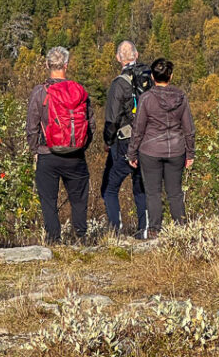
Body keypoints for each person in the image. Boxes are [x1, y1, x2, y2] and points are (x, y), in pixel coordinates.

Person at [26, 46, 95, 244]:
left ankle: (54, 240)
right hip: (75, 155)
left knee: (49, 200)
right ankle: (81, 237)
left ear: (48, 65)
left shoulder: (40, 92)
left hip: (47, 153)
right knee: (79, 199)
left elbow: (32, 126)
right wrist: (81, 145)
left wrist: (35, 150)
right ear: (66, 65)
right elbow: (91, 123)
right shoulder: (79, 91)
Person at [127, 57, 195, 239]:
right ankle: (181, 231)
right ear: (170, 76)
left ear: (152, 77)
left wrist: (131, 152)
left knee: (153, 193)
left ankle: (155, 231)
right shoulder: (180, 97)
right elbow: (188, 128)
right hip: (176, 150)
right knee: (175, 193)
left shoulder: (146, 98)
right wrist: (190, 153)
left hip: (150, 150)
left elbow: (138, 129)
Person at [101, 40, 152, 238]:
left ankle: (115, 231)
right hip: (148, 140)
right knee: (141, 186)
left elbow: (112, 119)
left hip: (125, 141)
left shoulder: (119, 84)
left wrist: (107, 141)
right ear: (136, 54)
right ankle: (145, 230)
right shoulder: (149, 78)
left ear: (117, 58)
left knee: (109, 188)